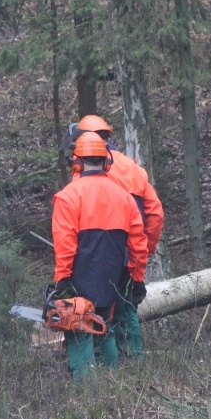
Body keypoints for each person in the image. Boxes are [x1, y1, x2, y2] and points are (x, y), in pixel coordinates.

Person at [51, 132, 149, 380]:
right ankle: (111, 386)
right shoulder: (124, 197)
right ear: (106, 162)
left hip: (79, 280)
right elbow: (138, 244)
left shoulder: (68, 196)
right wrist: (137, 279)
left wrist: (63, 280)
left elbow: (65, 243)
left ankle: (88, 397)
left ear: (77, 161)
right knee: (103, 327)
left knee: (79, 332)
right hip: (112, 278)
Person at [72, 115, 164, 361]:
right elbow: (155, 213)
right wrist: (145, 251)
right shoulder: (134, 169)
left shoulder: (86, 169)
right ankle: (134, 365)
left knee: (96, 314)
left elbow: (77, 218)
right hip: (129, 252)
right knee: (125, 309)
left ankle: (102, 373)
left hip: (98, 255)